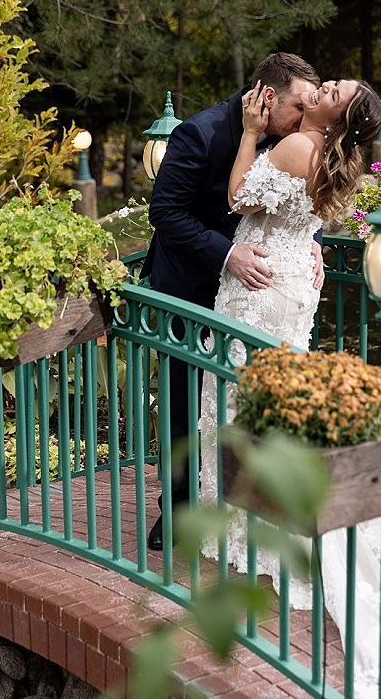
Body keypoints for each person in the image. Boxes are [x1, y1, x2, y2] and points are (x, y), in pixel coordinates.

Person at [199, 81, 381, 697]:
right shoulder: (332, 157)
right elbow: (307, 219)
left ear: (336, 116)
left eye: (333, 90)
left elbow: (238, 195)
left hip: (262, 285)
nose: (323, 85)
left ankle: (261, 533)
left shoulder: (300, 143)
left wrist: (249, 133)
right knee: (266, 400)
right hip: (297, 277)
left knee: (241, 399)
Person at [142, 53, 322, 551]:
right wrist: (228, 256)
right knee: (183, 402)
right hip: (189, 290)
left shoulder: (293, 140)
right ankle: (176, 511)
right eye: (299, 106)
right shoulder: (199, 134)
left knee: (238, 404)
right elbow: (165, 213)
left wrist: (313, 242)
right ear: (267, 98)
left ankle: (250, 507)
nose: (305, 117)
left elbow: (298, 198)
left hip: (253, 295)